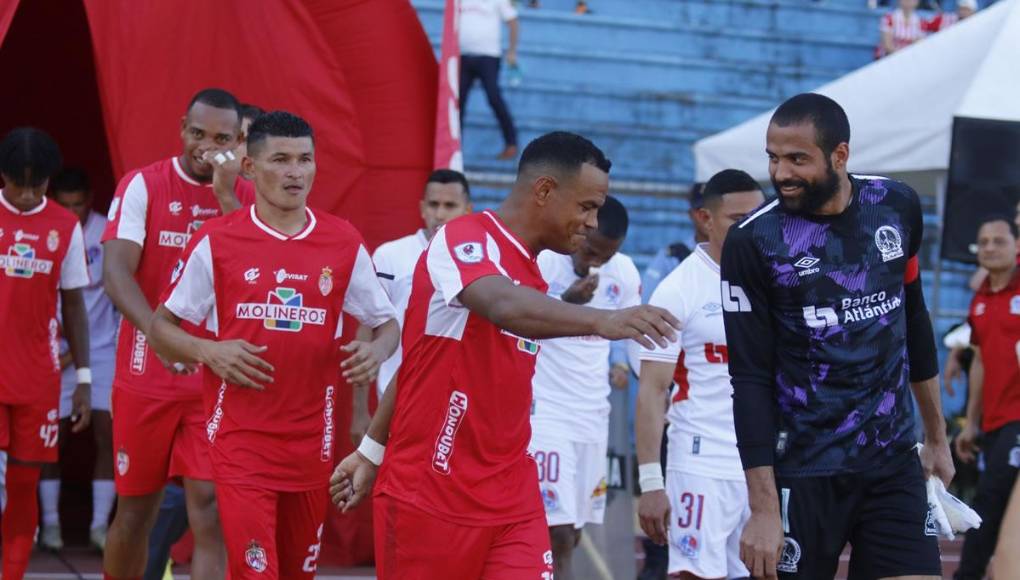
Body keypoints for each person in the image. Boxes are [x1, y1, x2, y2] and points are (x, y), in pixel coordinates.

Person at [329, 131, 679, 579]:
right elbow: (501, 307)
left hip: (511, 492)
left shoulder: (532, 271)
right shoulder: (463, 238)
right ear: (545, 191)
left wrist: (370, 449)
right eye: (586, 207)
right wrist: (602, 320)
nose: (592, 222)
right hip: (431, 491)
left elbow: (419, 360)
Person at [148, 110, 399, 579]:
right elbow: (162, 327)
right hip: (241, 439)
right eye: (280, 159)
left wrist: (377, 352)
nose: (295, 172)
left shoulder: (342, 241)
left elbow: (387, 324)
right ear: (249, 168)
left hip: (313, 440)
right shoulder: (218, 239)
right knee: (255, 571)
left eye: (305, 159)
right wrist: (210, 350)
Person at [721, 93, 953, 579]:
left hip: (891, 462)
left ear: (840, 155)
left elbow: (912, 318)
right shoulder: (752, 242)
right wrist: (763, 508)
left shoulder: (896, 205)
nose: (780, 172)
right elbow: (749, 377)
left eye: (797, 159)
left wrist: (936, 436)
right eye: (773, 157)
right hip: (802, 469)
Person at [102, 87, 254, 580]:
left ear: (239, 140)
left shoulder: (246, 197)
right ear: (181, 128)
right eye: (197, 133)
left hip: (212, 380)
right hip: (146, 375)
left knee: (209, 512)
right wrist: (159, 335)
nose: (206, 146)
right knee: (135, 514)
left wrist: (226, 195)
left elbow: (255, 270)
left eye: (221, 137)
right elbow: (116, 273)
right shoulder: (143, 185)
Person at [637, 169, 765, 580]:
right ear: (705, 219)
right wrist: (651, 481)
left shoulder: (777, 282)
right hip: (700, 460)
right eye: (736, 219)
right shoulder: (678, 290)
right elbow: (653, 391)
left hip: (763, 466)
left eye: (758, 216)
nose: (750, 228)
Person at [528, 195, 640, 579]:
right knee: (554, 524)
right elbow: (517, 320)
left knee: (574, 527)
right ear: (582, 229)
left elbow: (628, 333)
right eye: (591, 250)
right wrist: (565, 303)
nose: (596, 262)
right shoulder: (545, 261)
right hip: (547, 411)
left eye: (606, 256)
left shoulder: (623, 274)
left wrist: (623, 363)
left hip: (593, 414)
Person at [0, 127, 92, 579]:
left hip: (37, 376)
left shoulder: (63, 225)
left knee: (23, 484)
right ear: (3, 176)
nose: (27, 193)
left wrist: (85, 379)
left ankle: (13, 574)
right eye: (19, 183)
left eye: (37, 185)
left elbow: (74, 304)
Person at [350, 169, 472, 444]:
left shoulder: (479, 260)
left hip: (457, 407)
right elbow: (368, 328)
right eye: (433, 204)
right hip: (395, 403)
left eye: (450, 206)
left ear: (467, 209)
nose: (440, 214)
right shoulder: (391, 256)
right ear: (421, 207)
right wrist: (359, 412)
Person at [38, 168, 120, 552]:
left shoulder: (107, 232)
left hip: (101, 351)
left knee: (108, 434)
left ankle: (99, 528)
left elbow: (120, 294)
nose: (72, 213)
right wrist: (63, 352)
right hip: (50, 351)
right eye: (64, 205)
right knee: (51, 439)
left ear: (90, 199)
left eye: (78, 205)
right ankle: (51, 527)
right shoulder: (46, 230)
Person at [953, 215, 1020, 579]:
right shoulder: (980, 299)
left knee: (990, 500)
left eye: (999, 240)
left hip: (1018, 419)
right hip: (994, 420)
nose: (990, 248)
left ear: (1017, 245)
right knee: (995, 500)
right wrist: (971, 423)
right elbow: (979, 361)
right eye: (984, 242)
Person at [460, 0, 520, 160]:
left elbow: (513, 22)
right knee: (458, 103)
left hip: (489, 57)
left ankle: (511, 143)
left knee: (494, 98)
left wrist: (512, 51)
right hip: (462, 57)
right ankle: (454, 147)